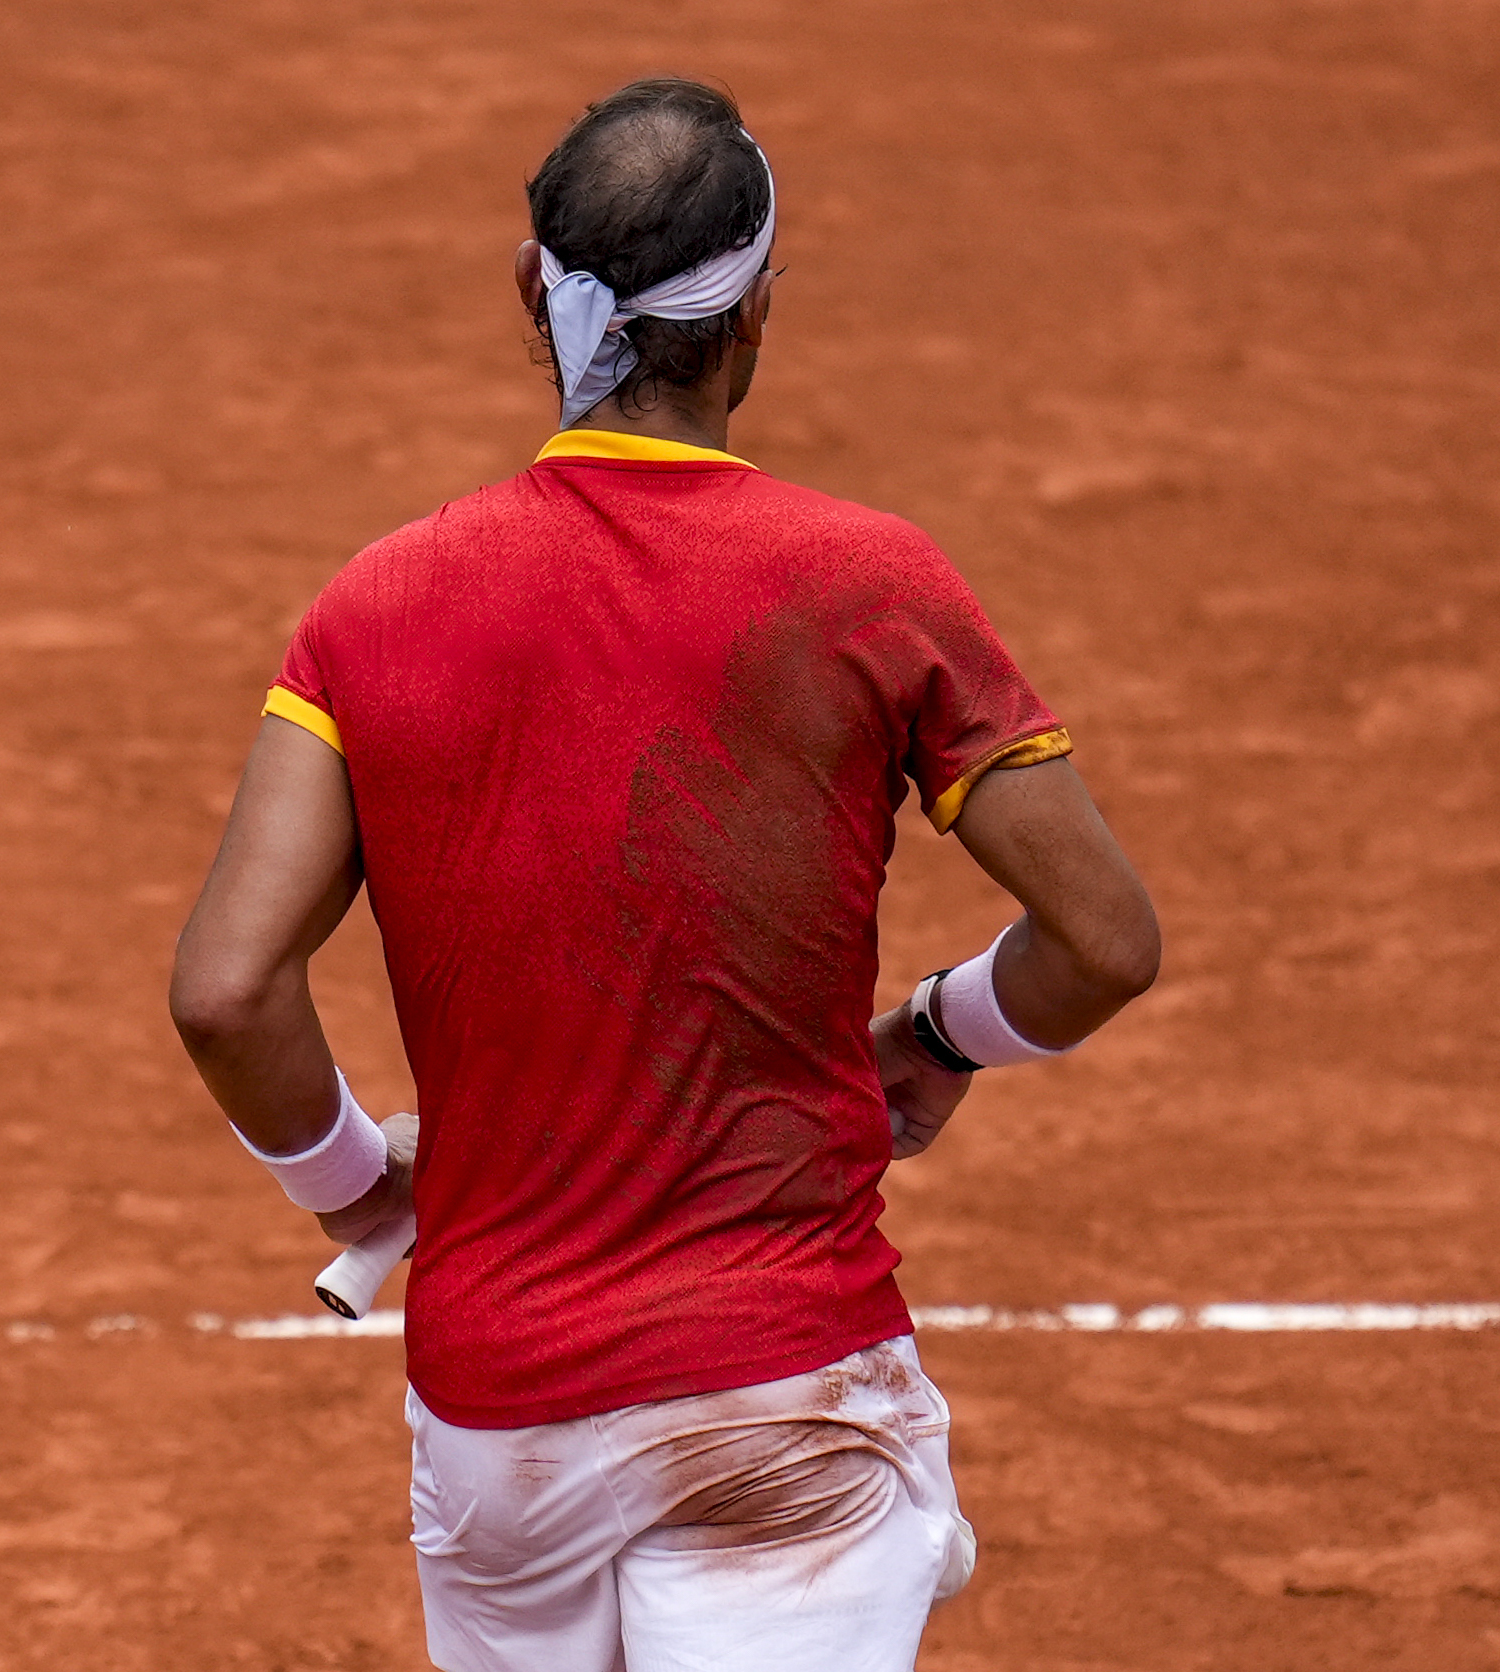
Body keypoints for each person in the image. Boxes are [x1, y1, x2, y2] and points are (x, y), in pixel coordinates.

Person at [169, 76, 1160, 1672]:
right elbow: (1102, 939)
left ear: (528, 288)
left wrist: (359, 1183)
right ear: (761, 308)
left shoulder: (374, 608)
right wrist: (935, 1037)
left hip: (503, 1435)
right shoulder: (871, 586)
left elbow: (226, 990)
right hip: (789, 1401)